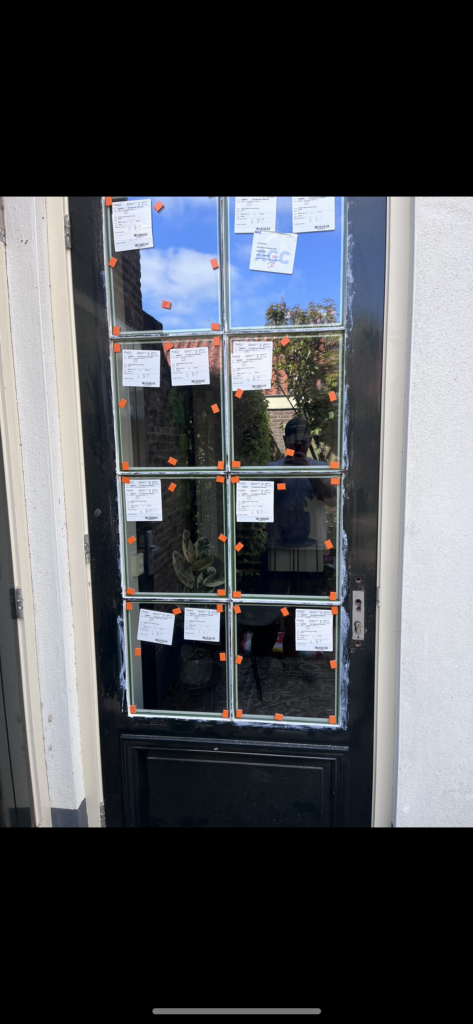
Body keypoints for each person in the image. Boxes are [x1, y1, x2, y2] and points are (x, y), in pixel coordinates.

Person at [266, 417, 334, 594]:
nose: (298, 447)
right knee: (279, 597)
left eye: (303, 442)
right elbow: (260, 502)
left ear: (310, 441)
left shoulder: (322, 468)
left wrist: (309, 472)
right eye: (294, 442)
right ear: (285, 440)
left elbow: (332, 500)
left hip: (313, 547)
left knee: (306, 596)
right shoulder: (272, 468)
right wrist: (282, 473)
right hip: (278, 545)